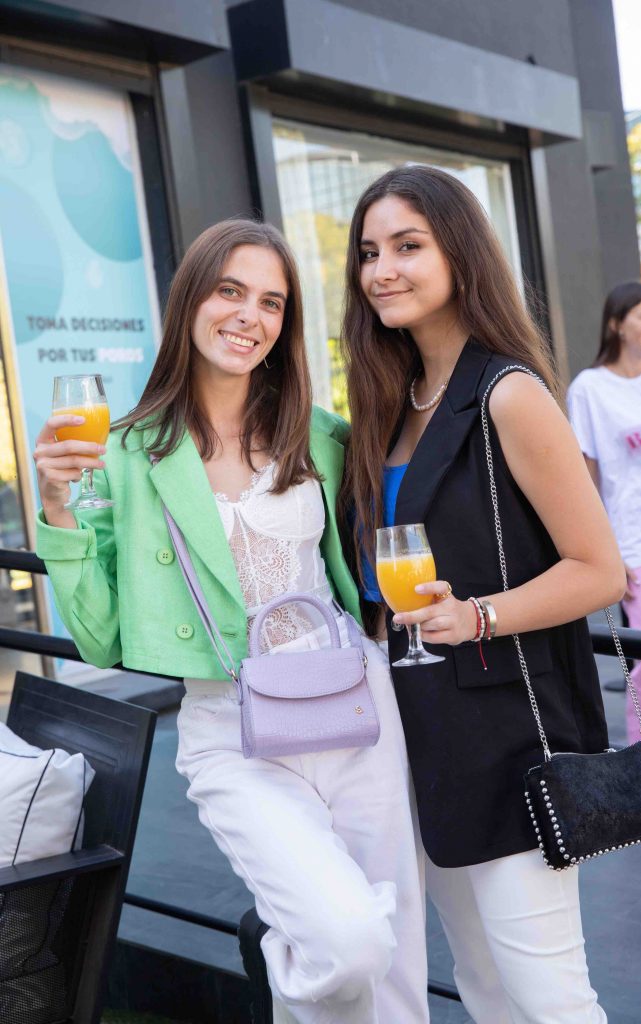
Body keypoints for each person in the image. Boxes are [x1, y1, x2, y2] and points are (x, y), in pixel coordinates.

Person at [32, 220, 429, 1024]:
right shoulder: (123, 453)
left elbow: (374, 555)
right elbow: (100, 639)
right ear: (191, 302)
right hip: (231, 726)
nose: (250, 315)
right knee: (348, 940)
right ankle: (290, 971)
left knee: (395, 969)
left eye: (272, 302)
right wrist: (55, 508)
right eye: (230, 291)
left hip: (354, 705)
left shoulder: (320, 434)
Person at [340, 165, 625, 1023]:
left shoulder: (510, 393)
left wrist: (476, 616)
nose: (382, 268)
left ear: (459, 255)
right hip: (416, 737)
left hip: (510, 738)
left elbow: (598, 570)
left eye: (407, 246)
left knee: (546, 995)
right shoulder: (389, 405)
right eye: (367, 253)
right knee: (485, 988)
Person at [567, 281, 641, 753]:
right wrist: (606, 551)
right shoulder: (590, 390)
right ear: (617, 323)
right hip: (638, 543)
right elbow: (583, 482)